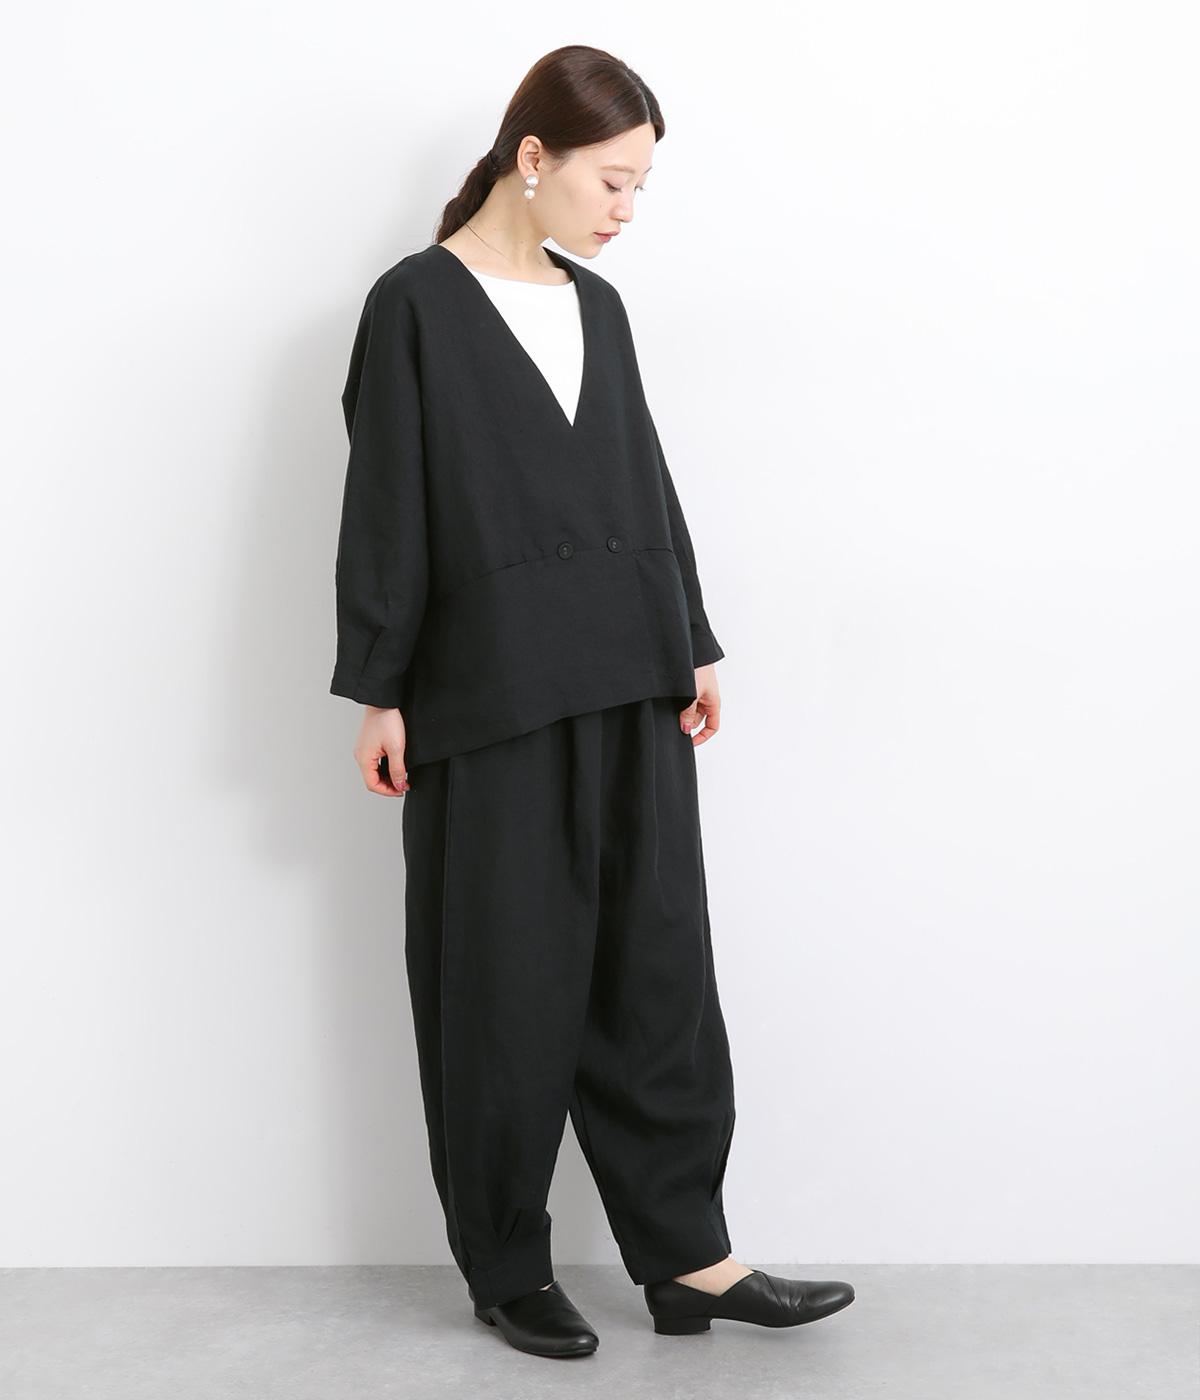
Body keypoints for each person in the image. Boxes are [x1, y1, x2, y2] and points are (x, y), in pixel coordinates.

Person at [329, 44, 855, 1359]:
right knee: (503, 983)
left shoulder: (599, 310)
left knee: (656, 971)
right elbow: (387, 501)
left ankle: (691, 1258)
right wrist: (381, 689)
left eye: (641, 188)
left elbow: (643, 483)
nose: (628, 209)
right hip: (490, 694)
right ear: (534, 159)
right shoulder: (416, 305)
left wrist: (694, 640)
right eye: (613, 181)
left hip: (632, 676)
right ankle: (508, 1265)